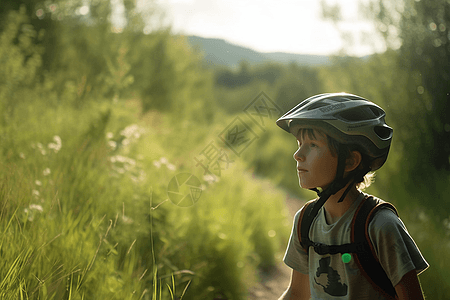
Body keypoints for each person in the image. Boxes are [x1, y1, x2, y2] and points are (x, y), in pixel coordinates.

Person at [275, 93, 429, 300]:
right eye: (299, 143)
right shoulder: (305, 220)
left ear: (350, 161)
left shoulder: (381, 225)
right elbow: (296, 293)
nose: (298, 154)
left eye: (312, 145)